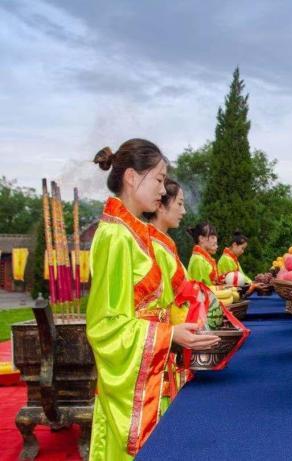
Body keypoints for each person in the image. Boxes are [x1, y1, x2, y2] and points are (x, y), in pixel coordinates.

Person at [87, 139, 219, 460]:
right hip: (133, 384)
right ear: (132, 177)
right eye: (159, 179)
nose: (163, 190)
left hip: (153, 371)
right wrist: (169, 334)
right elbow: (106, 324)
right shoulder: (115, 235)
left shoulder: (137, 234)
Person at [144, 178, 191, 403]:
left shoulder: (163, 243)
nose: (184, 210)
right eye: (179, 203)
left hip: (170, 341)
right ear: (161, 206)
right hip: (161, 344)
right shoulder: (151, 246)